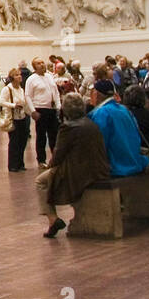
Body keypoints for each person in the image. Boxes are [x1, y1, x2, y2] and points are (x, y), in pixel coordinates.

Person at [35, 93, 111, 238]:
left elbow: (58, 154)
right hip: (98, 168)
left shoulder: (68, 127)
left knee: (40, 182)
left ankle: (52, 219)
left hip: (78, 172)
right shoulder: (91, 123)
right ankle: (53, 221)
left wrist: (50, 166)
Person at [87, 79, 149, 177]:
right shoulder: (124, 110)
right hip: (135, 163)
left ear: (96, 94)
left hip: (116, 168)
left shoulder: (101, 113)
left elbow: (99, 144)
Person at [25, 57, 62, 169]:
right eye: (38, 63)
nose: (41, 65)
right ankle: (41, 160)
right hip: (40, 109)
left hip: (52, 109)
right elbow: (28, 96)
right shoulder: (31, 79)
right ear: (34, 66)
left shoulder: (50, 77)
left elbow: (55, 92)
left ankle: (56, 158)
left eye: (42, 62)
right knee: (41, 136)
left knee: (54, 135)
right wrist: (33, 111)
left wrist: (58, 105)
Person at [0, 67, 32, 172]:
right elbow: (1, 101)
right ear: (12, 78)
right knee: (14, 142)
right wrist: (13, 105)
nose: (19, 76)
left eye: (19, 74)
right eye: (16, 75)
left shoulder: (21, 89)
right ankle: (12, 165)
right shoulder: (7, 89)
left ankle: (20, 163)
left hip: (22, 116)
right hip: (13, 117)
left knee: (23, 141)